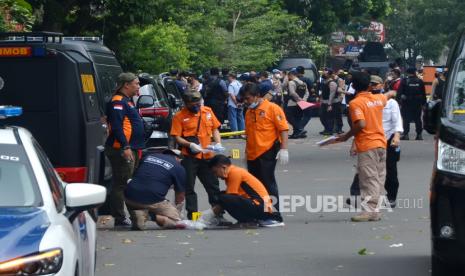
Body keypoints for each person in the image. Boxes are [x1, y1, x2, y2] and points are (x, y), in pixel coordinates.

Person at [335, 71, 395, 222]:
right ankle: (375, 210)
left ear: (353, 86)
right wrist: (392, 91)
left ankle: (369, 211)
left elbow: (361, 124)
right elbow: (389, 95)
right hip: (381, 143)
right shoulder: (378, 99)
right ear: (369, 85)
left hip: (367, 145)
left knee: (368, 178)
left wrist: (346, 136)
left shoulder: (356, 103)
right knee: (379, 177)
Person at [170, 89, 226, 222]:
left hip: (207, 156)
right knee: (189, 187)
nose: (196, 106)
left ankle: (218, 214)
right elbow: (176, 137)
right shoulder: (179, 116)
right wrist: (189, 145)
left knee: (213, 186)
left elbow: (215, 128)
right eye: (192, 104)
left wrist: (217, 143)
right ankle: (193, 215)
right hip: (189, 157)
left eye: (198, 102)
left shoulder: (207, 111)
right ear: (186, 103)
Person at [241, 83, 289, 227]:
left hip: (266, 151)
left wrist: (284, 149)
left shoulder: (272, 108)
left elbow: (284, 129)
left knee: (268, 184)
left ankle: (275, 215)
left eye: (247, 98)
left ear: (257, 96)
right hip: (252, 153)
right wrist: (246, 153)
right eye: (244, 98)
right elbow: (249, 134)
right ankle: (260, 214)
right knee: (254, 186)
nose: (245, 101)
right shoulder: (249, 112)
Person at [105, 72, 145, 227]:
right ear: (126, 85)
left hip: (132, 148)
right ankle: (120, 218)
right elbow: (116, 127)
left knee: (127, 182)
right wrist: (125, 146)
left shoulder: (127, 101)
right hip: (122, 149)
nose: (138, 86)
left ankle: (128, 216)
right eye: (136, 83)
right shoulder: (118, 102)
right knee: (122, 183)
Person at [202, 155, 276, 228]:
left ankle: (247, 221)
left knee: (224, 198)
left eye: (215, 172)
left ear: (223, 167)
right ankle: (248, 220)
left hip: (263, 207)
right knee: (223, 196)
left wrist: (207, 215)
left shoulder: (234, 173)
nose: (216, 176)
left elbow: (228, 200)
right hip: (262, 206)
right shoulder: (233, 172)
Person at [124, 149, 186, 229]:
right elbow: (180, 196)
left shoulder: (148, 157)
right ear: (179, 159)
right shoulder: (178, 167)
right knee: (177, 223)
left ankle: (139, 217)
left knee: (138, 198)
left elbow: (138, 175)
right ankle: (149, 216)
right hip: (153, 199)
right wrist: (177, 212)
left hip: (129, 196)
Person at [397, 67, 426, 140]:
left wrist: (398, 102)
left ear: (407, 73)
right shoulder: (420, 81)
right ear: (414, 72)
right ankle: (419, 135)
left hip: (406, 103)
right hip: (417, 103)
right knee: (418, 119)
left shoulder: (404, 81)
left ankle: (406, 135)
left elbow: (399, 92)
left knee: (406, 119)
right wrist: (423, 104)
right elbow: (423, 94)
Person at [286, 69, 309, 138]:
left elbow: (292, 92)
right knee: (298, 118)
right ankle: (296, 134)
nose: (288, 77)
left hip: (292, 103)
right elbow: (307, 93)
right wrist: (303, 100)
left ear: (291, 75)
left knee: (289, 117)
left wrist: (298, 100)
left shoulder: (291, 82)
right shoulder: (303, 83)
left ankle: (300, 129)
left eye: (288, 76)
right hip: (301, 103)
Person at [319, 68, 338, 135]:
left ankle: (329, 130)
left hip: (330, 102)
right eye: (323, 72)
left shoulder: (332, 83)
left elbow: (332, 94)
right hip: (324, 101)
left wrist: (330, 104)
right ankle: (326, 128)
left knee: (329, 117)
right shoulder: (324, 82)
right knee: (322, 116)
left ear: (329, 75)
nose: (323, 74)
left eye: (325, 73)